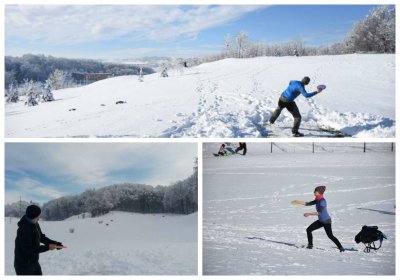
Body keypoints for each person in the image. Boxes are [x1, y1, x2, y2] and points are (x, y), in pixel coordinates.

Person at [14, 205, 65, 275]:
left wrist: (55, 243)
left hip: (34, 262)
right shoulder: (23, 229)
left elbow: (41, 237)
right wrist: (48, 247)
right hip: (24, 266)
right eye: (37, 216)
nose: (39, 218)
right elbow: (29, 250)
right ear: (32, 216)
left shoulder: (34, 223)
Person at [292, 186, 345, 252]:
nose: (314, 192)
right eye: (314, 191)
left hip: (326, 221)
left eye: (315, 191)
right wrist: (298, 202)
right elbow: (308, 203)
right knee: (309, 230)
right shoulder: (317, 200)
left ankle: (341, 248)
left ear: (319, 192)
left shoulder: (322, 201)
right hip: (321, 221)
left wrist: (309, 214)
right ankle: (310, 245)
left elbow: (319, 213)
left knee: (330, 236)